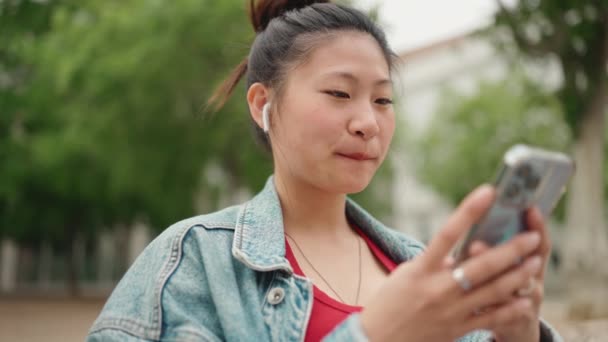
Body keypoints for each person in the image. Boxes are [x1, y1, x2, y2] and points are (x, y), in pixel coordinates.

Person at [87, 1, 563, 341]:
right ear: (262, 103)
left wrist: (518, 335)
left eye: (383, 100)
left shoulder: (425, 273)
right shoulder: (193, 262)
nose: (367, 123)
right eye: (339, 93)